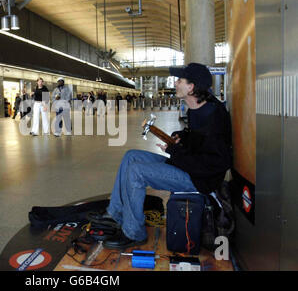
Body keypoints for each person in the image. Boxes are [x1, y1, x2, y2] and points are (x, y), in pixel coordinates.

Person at [89, 63, 232, 249]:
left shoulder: (214, 116)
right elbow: (196, 139)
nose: (175, 82)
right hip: (185, 165)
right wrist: (182, 137)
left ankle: (134, 232)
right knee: (131, 156)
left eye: (180, 80)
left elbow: (215, 162)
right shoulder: (196, 108)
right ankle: (115, 212)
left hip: (200, 179)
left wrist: (176, 151)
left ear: (191, 87)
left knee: (136, 171)